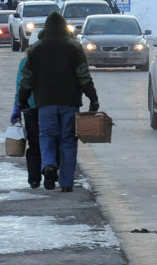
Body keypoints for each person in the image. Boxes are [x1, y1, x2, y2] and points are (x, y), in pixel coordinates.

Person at [16, 11, 99, 192]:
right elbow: (83, 76)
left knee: (47, 136)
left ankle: (49, 165)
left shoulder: (37, 49)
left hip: (44, 102)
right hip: (70, 102)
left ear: (46, 28)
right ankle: (67, 182)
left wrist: (22, 100)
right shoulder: (74, 48)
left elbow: (27, 78)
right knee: (68, 140)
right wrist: (93, 98)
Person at [10, 55, 44, 188]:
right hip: (49, 105)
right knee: (51, 140)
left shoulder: (25, 61)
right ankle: (51, 170)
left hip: (29, 106)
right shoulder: (55, 58)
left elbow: (20, 85)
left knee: (34, 143)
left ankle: (34, 179)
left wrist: (17, 108)